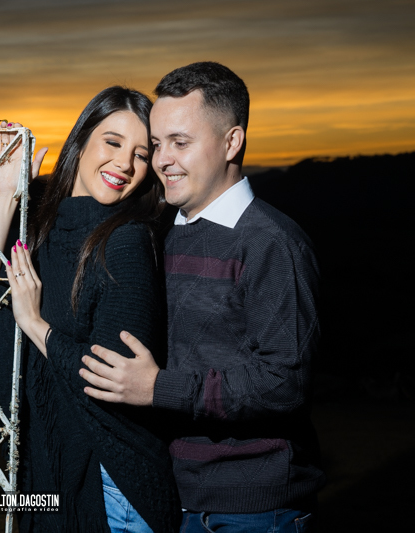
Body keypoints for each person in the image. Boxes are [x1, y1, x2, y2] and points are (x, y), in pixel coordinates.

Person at [79, 62, 326, 532]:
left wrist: (158, 388)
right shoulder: (160, 235)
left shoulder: (272, 243)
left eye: (180, 142)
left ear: (232, 142)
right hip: (171, 494)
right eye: (157, 144)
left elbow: (284, 383)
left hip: (251, 508)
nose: (162, 160)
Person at [0, 87, 180, 532]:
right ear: (80, 142)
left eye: (141, 155)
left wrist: (34, 324)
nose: (124, 164)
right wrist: (6, 194)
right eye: (112, 142)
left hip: (109, 482)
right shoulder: (44, 225)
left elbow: (112, 376)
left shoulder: (126, 241)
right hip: (47, 463)